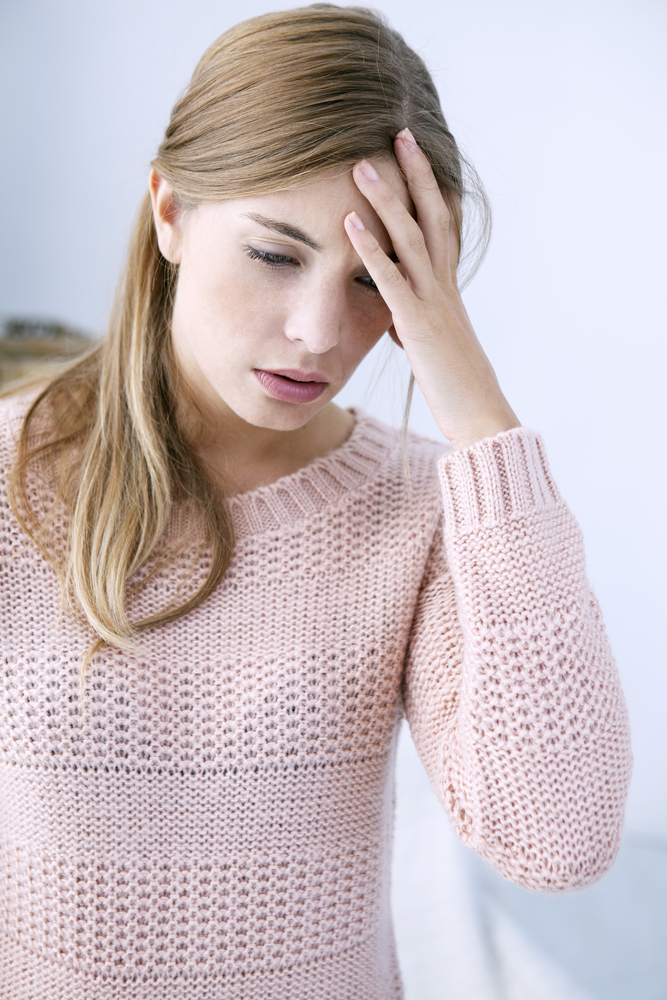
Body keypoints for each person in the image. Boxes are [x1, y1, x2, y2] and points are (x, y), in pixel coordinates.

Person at [0, 5, 632, 998]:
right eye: (275, 253)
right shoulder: (12, 472)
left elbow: (555, 839)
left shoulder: (425, 508)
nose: (317, 331)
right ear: (168, 211)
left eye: (376, 278)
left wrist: (473, 405)